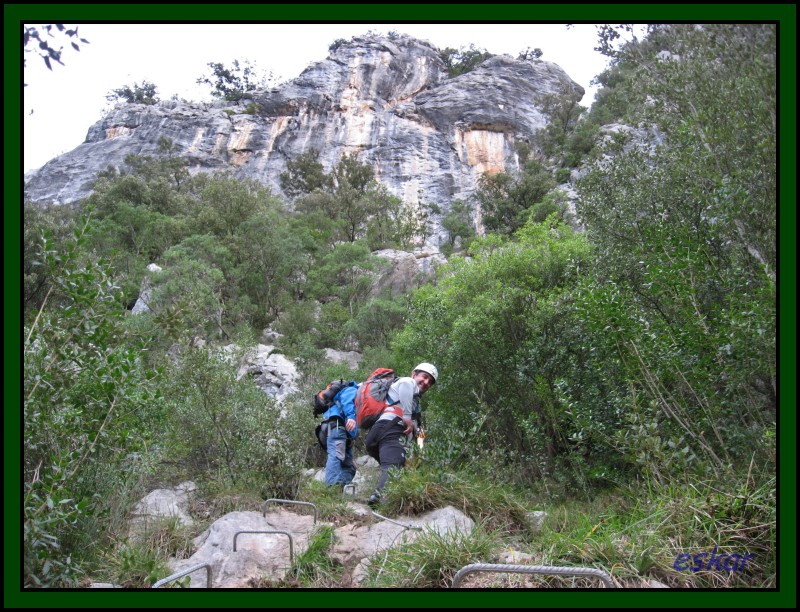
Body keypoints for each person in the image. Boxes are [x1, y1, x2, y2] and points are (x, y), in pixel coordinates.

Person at [365, 362, 438, 507]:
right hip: (390, 429)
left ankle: (387, 498)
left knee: (399, 468)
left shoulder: (413, 402)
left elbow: (418, 429)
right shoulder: (407, 382)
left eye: (430, 382)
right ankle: (379, 500)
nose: (426, 382)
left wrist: (421, 446)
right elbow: (405, 386)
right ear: (414, 374)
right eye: (424, 377)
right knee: (394, 466)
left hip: (379, 432)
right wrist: (406, 417)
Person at [321, 382, 359, 488]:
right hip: (337, 426)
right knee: (336, 455)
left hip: (336, 429)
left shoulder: (343, 393)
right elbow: (347, 401)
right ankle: (330, 488)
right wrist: (351, 416)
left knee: (350, 466)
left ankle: (337, 489)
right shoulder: (352, 389)